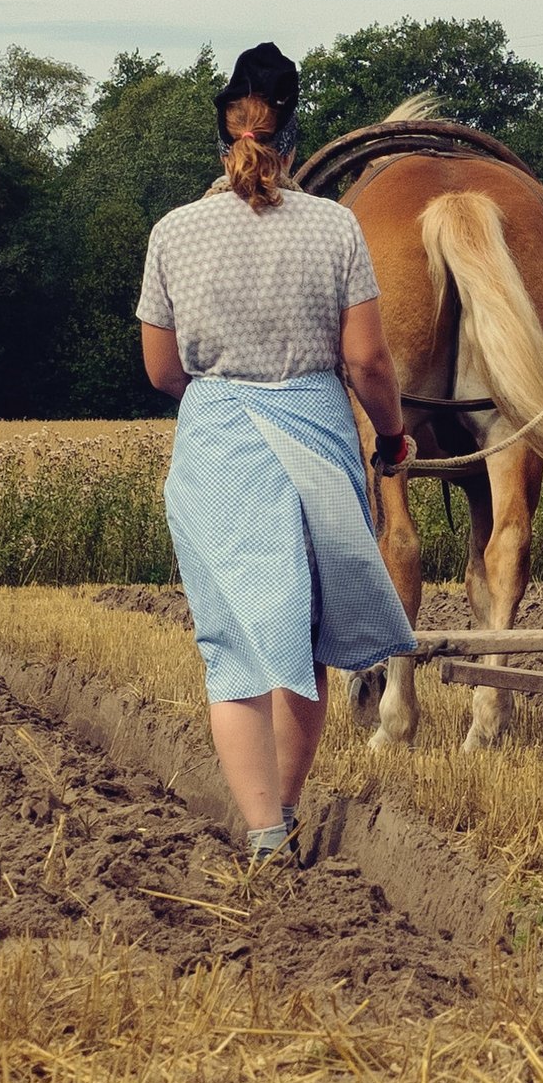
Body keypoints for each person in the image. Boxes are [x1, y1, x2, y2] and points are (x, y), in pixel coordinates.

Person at [136, 43, 418, 863]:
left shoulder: (174, 233)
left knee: (235, 648)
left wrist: (225, 398)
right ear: (294, 139)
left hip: (218, 445)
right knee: (308, 642)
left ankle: (261, 830)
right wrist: (393, 436)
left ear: (223, 140)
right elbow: (367, 361)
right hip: (318, 445)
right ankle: (289, 812)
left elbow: (161, 370)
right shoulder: (335, 228)